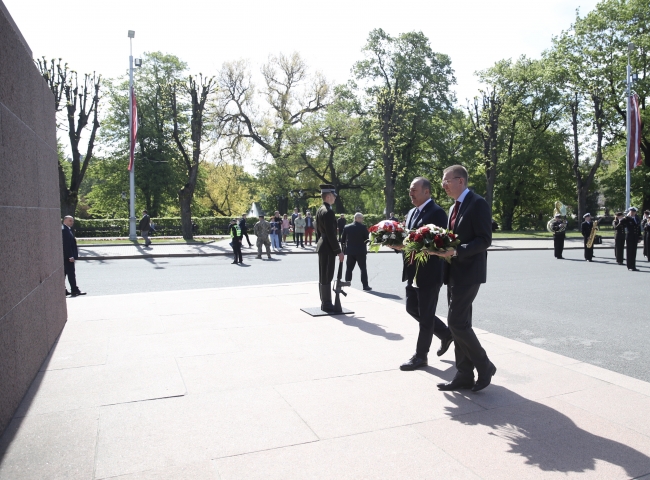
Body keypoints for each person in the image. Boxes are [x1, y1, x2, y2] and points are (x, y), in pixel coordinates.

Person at [430, 165, 495, 392]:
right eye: (442, 181)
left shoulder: (477, 204)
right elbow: (452, 239)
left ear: (461, 181)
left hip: (469, 272)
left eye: (446, 181)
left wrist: (457, 252)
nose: (443, 185)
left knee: (456, 323)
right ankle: (464, 374)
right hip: (453, 272)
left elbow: (484, 240)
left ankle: (485, 366)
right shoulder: (453, 208)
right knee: (460, 323)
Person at [389, 177, 453, 371]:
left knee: (426, 315)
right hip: (412, 271)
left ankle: (421, 356)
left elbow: (439, 243)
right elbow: (408, 239)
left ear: (427, 192)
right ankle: (446, 334)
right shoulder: (410, 213)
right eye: (410, 189)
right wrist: (396, 245)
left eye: (414, 189)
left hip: (429, 272)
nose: (410, 192)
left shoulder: (437, 213)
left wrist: (408, 244)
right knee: (412, 308)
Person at [316, 184, 344, 312]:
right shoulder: (328, 212)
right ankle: (327, 304)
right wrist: (338, 251)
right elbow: (331, 234)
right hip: (328, 247)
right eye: (333, 196)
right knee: (327, 275)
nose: (335, 198)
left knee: (324, 275)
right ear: (328, 196)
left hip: (323, 245)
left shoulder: (320, 209)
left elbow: (318, 231)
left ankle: (325, 302)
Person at [341, 213, 371, 291]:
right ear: (357, 218)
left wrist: (343, 250)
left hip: (350, 251)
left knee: (349, 268)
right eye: (361, 218)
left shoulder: (347, 227)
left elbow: (342, 240)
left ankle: (347, 283)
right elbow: (367, 239)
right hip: (361, 251)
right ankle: (365, 285)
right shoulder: (363, 227)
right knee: (363, 269)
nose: (362, 220)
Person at [62, 216, 86, 297]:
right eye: (70, 221)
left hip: (66, 257)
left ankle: (63, 290)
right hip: (68, 257)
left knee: (64, 274)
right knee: (71, 274)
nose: (72, 222)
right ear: (65, 221)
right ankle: (74, 290)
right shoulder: (65, 230)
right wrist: (70, 256)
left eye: (72, 221)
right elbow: (66, 245)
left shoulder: (66, 229)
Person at [622, 207, 641, 271]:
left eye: (633, 212)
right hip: (629, 237)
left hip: (635, 237)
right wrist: (625, 217)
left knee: (634, 252)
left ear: (635, 212)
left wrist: (639, 237)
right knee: (629, 252)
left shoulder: (637, 218)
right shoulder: (627, 219)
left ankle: (633, 266)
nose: (632, 213)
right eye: (631, 211)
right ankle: (629, 266)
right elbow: (621, 224)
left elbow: (638, 228)